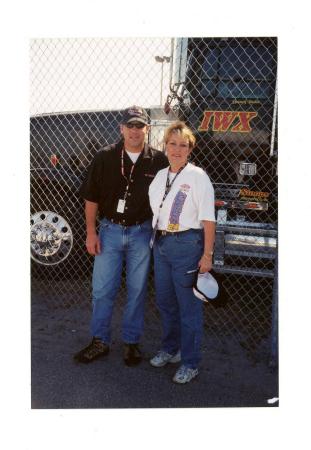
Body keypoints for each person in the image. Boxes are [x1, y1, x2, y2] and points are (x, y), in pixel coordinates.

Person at [74, 106, 168, 366]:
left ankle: (131, 343)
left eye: (140, 126)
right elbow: (91, 197)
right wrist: (90, 233)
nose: (135, 131)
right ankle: (99, 341)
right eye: (131, 126)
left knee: (137, 291)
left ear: (147, 129)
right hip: (109, 231)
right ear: (122, 129)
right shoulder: (105, 156)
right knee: (102, 290)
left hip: (141, 232)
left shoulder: (158, 160)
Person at [148, 121, 216, 384]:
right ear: (165, 145)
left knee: (189, 307)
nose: (177, 149)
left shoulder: (197, 177)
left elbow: (209, 220)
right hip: (162, 245)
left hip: (187, 246)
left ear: (190, 149)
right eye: (172, 143)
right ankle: (171, 349)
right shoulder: (159, 176)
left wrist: (207, 255)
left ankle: (190, 362)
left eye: (183, 145)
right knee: (165, 302)